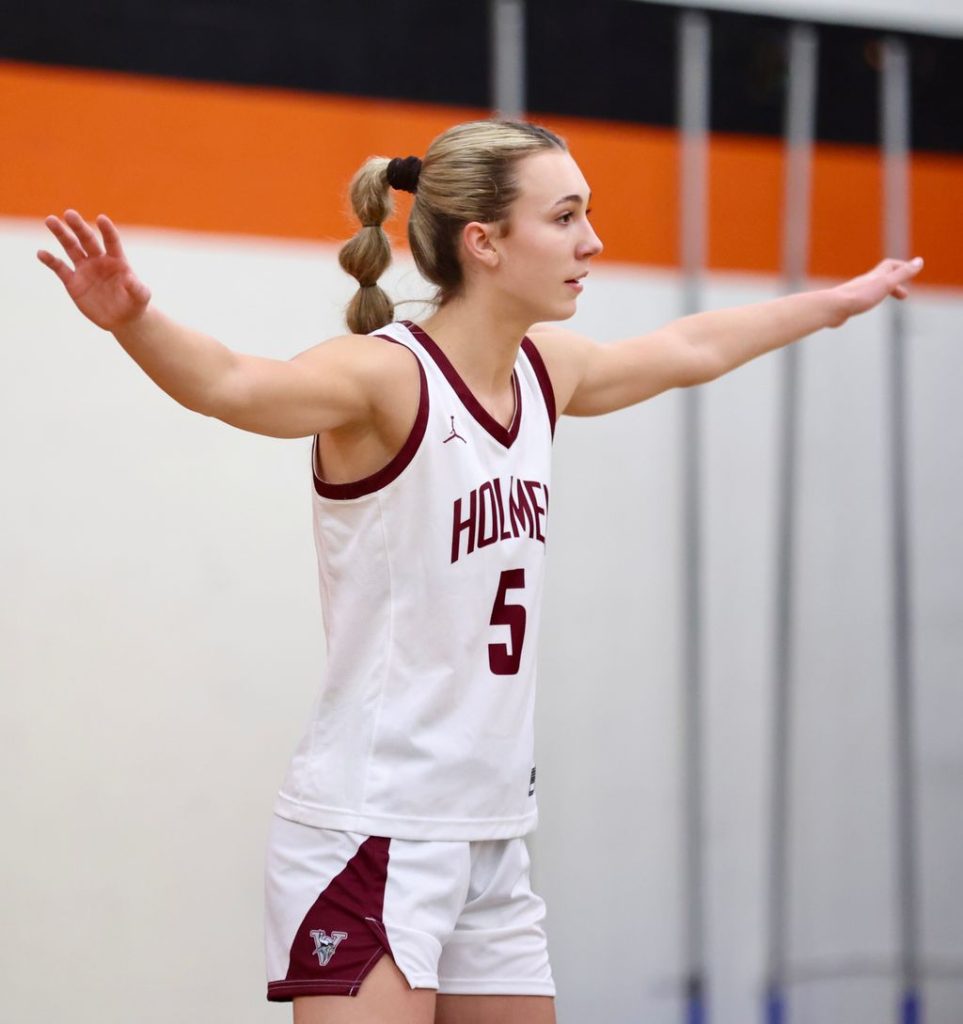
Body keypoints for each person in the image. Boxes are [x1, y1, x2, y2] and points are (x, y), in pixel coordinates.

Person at [37, 118, 923, 1024]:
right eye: (566, 216)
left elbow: (690, 349)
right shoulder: (385, 379)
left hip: (493, 836)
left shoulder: (548, 372)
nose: (593, 241)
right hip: (372, 831)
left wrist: (835, 301)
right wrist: (135, 320)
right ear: (485, 242)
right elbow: (233, 384)